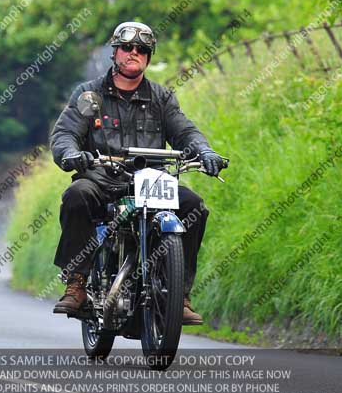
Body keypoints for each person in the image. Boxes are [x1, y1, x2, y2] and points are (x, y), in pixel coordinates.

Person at [49, 21, 226, 325]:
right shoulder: (89, 94)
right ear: (115, 51)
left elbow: (185, 131)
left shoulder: (161, 98)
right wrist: (71, 155)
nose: (134, 53)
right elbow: (65, 134)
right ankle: (77, 282)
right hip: (102, 179)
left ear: (149, 56)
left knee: (194, 205)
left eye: (142, 50)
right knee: (77, 196)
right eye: (128, 48)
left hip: (152, 182)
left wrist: (205, 151)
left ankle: (178, 295)